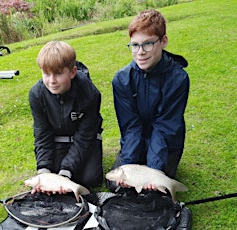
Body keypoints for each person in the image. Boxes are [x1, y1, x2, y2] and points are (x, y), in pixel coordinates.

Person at [108, 9, 190, 192]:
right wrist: (128, 167)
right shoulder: (121, 79)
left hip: (167, 142)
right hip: (136, 139)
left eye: (148, 44)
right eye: (135, 45)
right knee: (118, 186)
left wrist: (154, 169)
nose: (140, 52)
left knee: (155, 188)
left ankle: (159, 165)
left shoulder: (178, 79)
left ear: (163, 42)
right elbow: (130, 126)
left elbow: (165, 126)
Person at [29, 41, 104, 194]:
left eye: (58, 73)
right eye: (46, 74)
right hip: (58, 140)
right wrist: (43, 171)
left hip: (86, 140)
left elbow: (85, 135)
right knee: (51, 172)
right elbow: (42, 135)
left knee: (90, 179)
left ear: (72, 72)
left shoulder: (90, 93)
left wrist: (66, 171)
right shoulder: (36, 94)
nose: (52, 81)